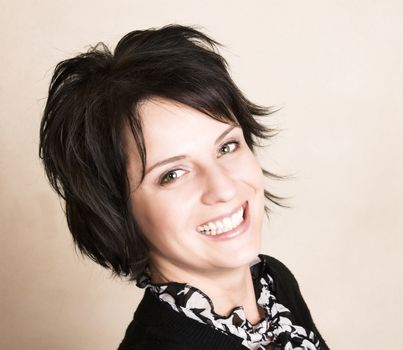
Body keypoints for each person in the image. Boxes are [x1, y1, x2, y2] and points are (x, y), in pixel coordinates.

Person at [39, 24, 329, 349]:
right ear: (116, 209)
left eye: (227, 147)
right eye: (173, 174)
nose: (224, 189)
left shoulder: (274, 282)